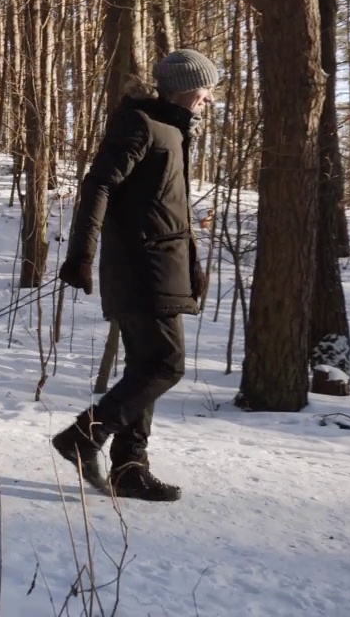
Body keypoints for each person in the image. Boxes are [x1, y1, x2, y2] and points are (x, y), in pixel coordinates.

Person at [52, 48, 218, 502]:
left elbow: (170, 211)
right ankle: (83, 436)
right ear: (184, 88)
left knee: (145, 367)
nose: (208, 98)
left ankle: (129, 469)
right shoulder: (142, 124)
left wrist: (193, 266)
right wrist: (81, 255)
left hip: (164, 267)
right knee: (166, 364)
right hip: (142, 266)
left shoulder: (174, 131)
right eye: (205, 89)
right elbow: (99, 184)